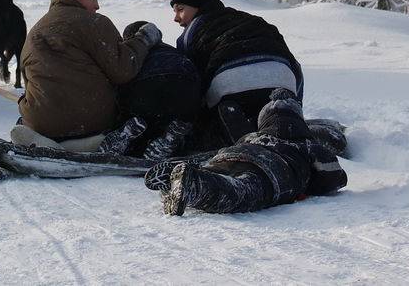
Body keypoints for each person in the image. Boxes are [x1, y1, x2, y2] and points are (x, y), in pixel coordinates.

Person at [15, 0, 163, 149]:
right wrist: (143, 39)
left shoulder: (36, 30)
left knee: (32, 108)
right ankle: (89, 142)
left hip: (40, 122)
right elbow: (123, 70)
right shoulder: (94, 22)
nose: (97, 6)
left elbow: (29, 80)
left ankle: (47, 139)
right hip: (90, 120)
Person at [143, 88, 347, 215]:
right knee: (238, 191)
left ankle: (182, 180)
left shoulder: (253, 136)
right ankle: (194, 184)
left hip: (233, 153)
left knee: (217, 171)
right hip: (270, 171)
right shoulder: (305, 144)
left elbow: (238, 144)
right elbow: (331, 177)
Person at [170, 0, 304, 146]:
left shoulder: (191, 33)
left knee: (210, 128)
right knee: (273, 113)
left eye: (180, 9)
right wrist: (297, 104)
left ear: (199, 5)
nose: (176, 18)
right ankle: (289, 124)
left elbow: (191, 79)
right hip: (282, 80)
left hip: (232, 87)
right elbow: (295, 66)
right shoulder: (254, 20)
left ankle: (236, 135)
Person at [117, 21, 201, 159]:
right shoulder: (172, 51)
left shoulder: (134, 54)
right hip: (186, 82)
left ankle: (131, 138)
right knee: (180, 123)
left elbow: (122, 80)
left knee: (145, 124)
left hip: (146, 86)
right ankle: (173, 137)